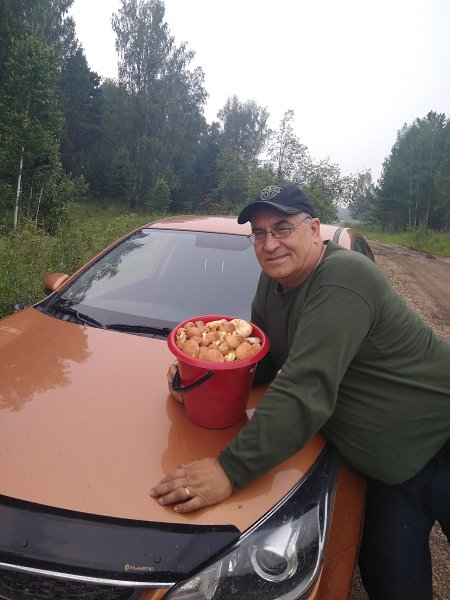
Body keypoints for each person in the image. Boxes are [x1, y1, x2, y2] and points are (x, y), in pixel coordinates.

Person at [150, 184, 450, 600]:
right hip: (391, 467)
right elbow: (266, 358)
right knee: (392, 581)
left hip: (439, 437)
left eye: (282, 228)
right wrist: (202, 378)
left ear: (313, 229)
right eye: (259, 233)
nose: (270, 243)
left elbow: (305, 386)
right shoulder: (271, 284)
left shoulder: (344, 277)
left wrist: (229, 470)